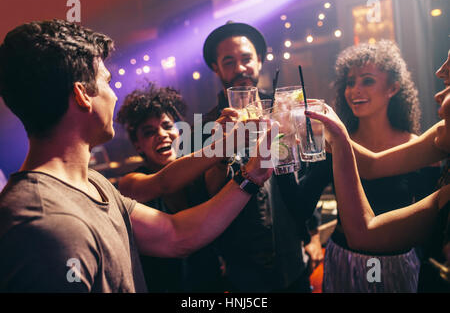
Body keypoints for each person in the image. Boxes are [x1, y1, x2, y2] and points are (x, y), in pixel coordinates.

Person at [0, 19, 272, 292]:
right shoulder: (41, 224)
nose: (114, 95)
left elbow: (177, 235)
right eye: (107, 81)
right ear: (82, 94)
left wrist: (252, 175)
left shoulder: (94, 184)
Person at [196, 21, 327, 292]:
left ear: (259, 61)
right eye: (229, 61)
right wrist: (222, 146)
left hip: (294, 262)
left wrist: (313, 235)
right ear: (216, 68)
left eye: (246, 59)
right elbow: (207, 196)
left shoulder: (282, 108)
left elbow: (300, 173)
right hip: (243, 272)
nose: (240, 68)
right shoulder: (206, 125)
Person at [305, 49, 450, 292]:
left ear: (393, 88)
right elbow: (372, 165)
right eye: (351, 82)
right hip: (344, 257)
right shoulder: (439, 142)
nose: (437, 95)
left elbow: (366, 233)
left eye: (448, 87)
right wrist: (336, 136)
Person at [116, 84, 225, 292]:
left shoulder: (197, 171)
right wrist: (224, 145)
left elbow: (217, 188)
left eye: (167, 126)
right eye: (149, 132)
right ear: (138, 145)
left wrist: (224, 144)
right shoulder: (130, 182)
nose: (162, 134)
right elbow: (164, 183)